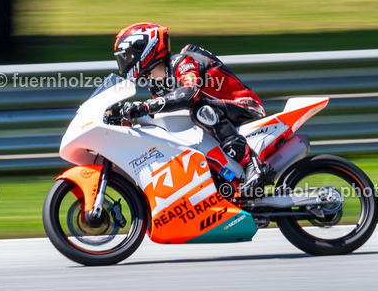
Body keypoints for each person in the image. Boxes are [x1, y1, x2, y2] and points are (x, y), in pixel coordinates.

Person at [112, 22, 272, 196]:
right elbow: (163, 117)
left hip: (244, 106)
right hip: (218, 118)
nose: (125, 62)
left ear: (145, 50)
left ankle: (253, 165)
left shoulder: (182, 61)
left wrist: (145, 106)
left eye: (127, 56)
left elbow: (190, 92)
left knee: (201, 110)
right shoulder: (156, 84)